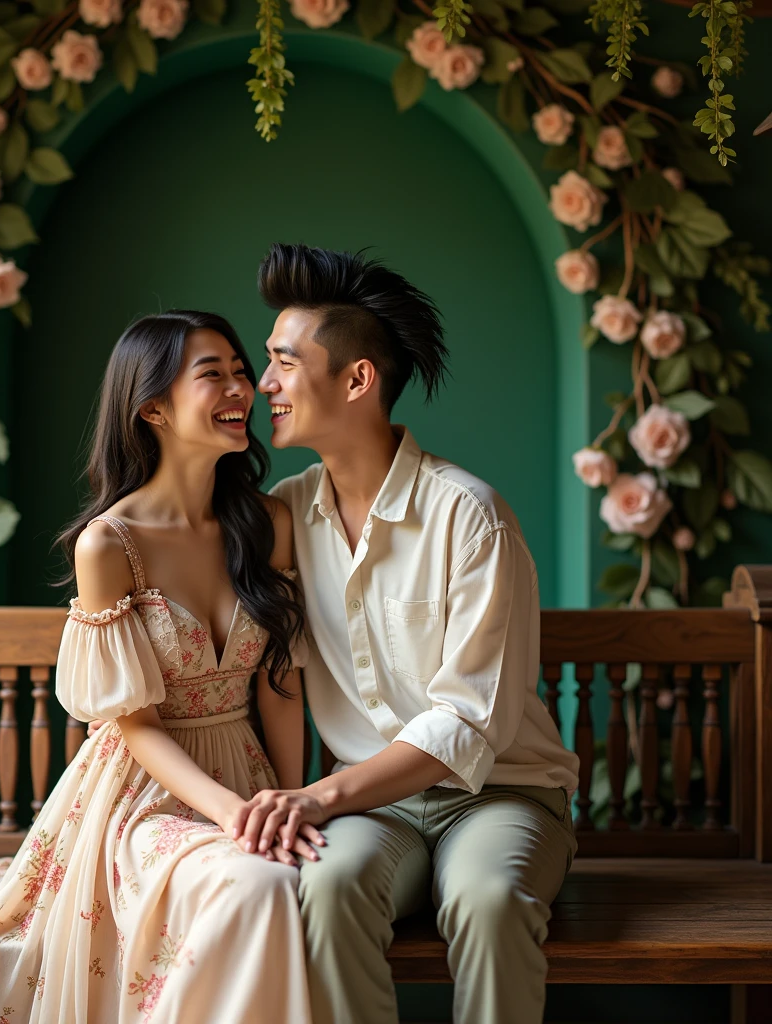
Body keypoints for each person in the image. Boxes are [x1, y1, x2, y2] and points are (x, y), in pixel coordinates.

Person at [0, 310, 320, 1024]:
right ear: (151, 406)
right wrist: (233, 816)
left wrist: (289, 803)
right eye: (214, 373)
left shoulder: (268, 523)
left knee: (281, 874)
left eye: (242, 370)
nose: (242, 387)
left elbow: (279, 685)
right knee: (252, 884)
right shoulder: (108, 545)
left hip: (250, 778)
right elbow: (133, 724)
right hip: (145, 798)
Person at [239, 243, 582, 1024]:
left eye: (284, 364)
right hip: (377, 809)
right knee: (323, 887)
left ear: (357, 379)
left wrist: (317, 795)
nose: (265, 385)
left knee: (490, 901)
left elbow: (468, 723)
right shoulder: (287, 515)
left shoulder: (471, 516)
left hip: (502, 797)